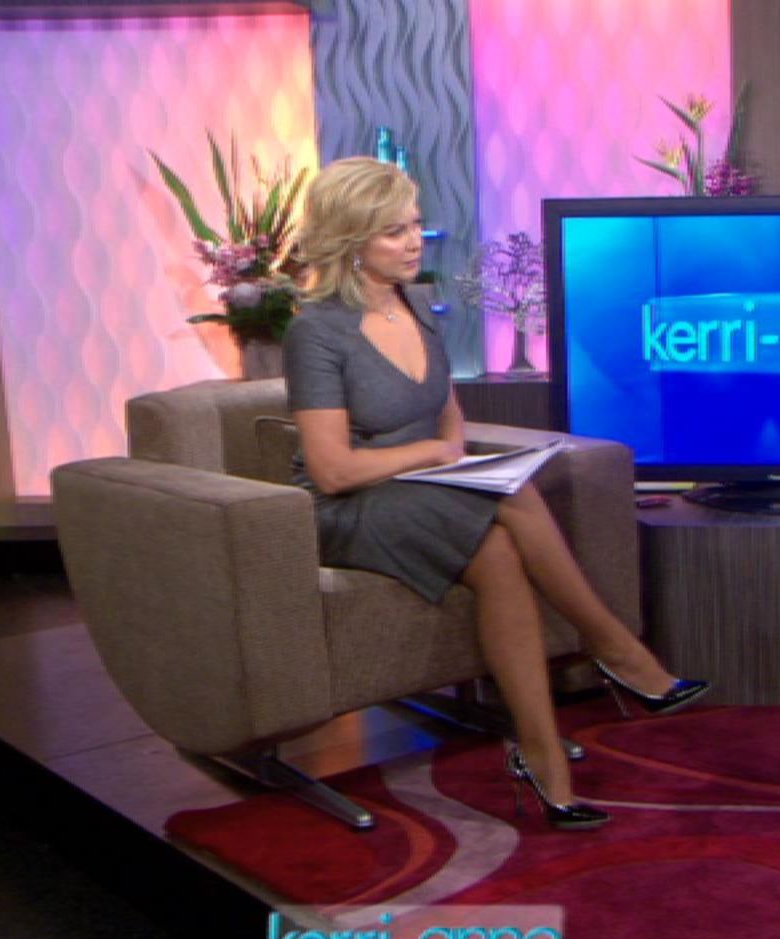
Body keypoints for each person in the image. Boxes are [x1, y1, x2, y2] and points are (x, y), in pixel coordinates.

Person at [284, 157, 706, 830]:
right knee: (515, 499)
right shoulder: (316, 331)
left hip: (419, 488)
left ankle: (543, 757)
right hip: (346, 507)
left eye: (415, 224)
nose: (414, 241)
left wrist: (447, 453)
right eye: (394, 231)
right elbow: (332, 470)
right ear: (350, 240)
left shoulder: (414, 306)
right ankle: (617, 652)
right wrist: (434, 456)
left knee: (503, 549)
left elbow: (446, 414)